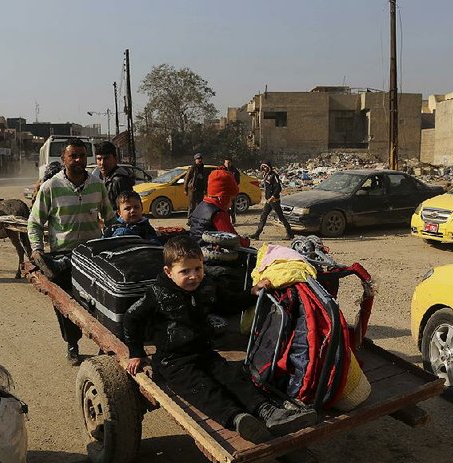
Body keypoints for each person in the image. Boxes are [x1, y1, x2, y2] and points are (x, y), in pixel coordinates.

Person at [122, 235, 317, 442]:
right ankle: (238, 419)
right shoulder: (157, 293)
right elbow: (132, 318)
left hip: (204, 352)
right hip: (173, 361)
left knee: (232, 377)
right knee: (203, 388)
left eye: (198, 268)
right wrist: (136, 353)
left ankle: (268, 412)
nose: (193, 276)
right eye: (185, 271)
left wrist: (251, 292)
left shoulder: (207, 286)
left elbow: (228, 303)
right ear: (168, 273)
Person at [28, 138, 113, 365]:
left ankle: (103, 346)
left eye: (82, 156)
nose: (78, 160)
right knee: (66, 305)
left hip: (92, 256)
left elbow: (110, 218)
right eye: (73, 156)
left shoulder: (98, 185)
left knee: (98, 304)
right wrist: (37, 250)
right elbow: (34, 223)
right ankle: (72, 345)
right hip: (62, 257)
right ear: (63, 159)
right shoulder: (51, 187)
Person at [188, 167, 250, 247]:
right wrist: (246, 242)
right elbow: (232, 238)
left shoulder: (201, 205)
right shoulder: (218, 213)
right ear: (222, 197)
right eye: (231, 199)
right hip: (209, 255)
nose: (231, 204)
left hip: (197, 249)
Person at [251, 161, 293, 240]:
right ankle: (257, 234)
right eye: (263, 167)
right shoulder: (265, 175)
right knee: (263, 216)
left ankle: (290, 234)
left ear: (269, 167)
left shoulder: (274, 175)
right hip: (268, 201)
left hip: (274, 201)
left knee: (281, 217)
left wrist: (272, 197)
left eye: (265, 167)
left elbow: (278, 188)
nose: (264, 168)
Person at [92, 141, 134, 212]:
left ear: (115, 159)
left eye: (106, 158)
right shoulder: (97, 177)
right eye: (99, 159)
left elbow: (126, 209)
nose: (102, 163)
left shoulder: (120, 180)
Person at [223, 157, 241, 223]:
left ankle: (233, 219)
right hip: (224, 191)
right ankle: (226, 220)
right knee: (225, 206)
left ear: (231, 163)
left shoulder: (235, 171)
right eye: (226, 163)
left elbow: (238, 181)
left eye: (229, 163)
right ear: (224, 163)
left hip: (232, 191)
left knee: (232, 205)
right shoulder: (222, 170)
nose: (227, 164)